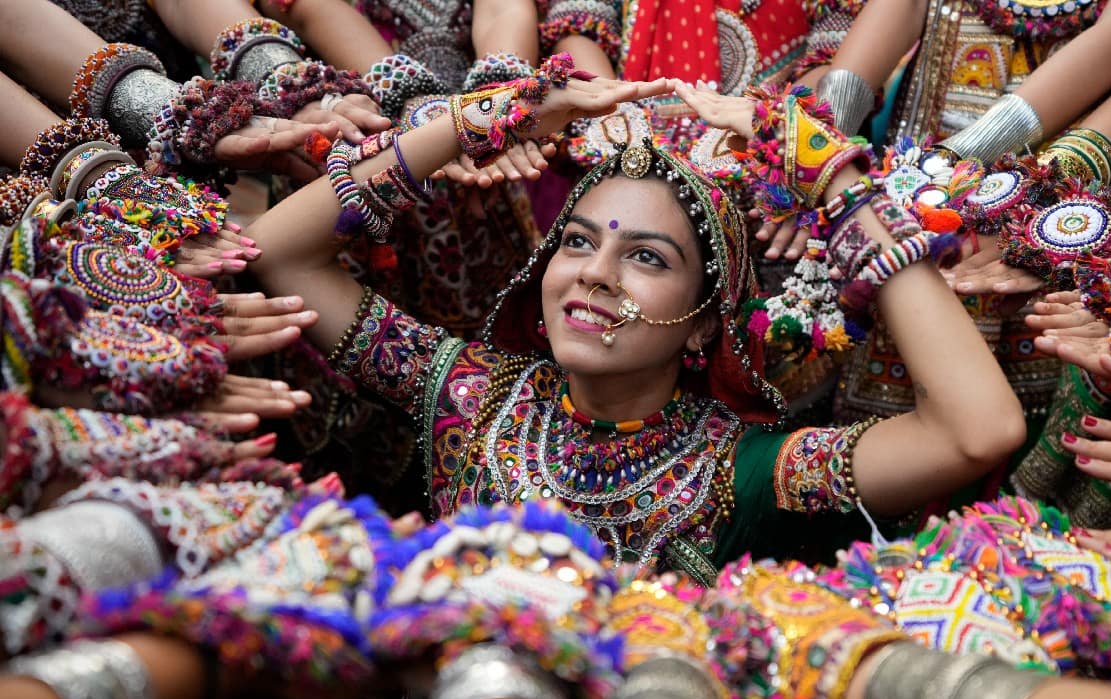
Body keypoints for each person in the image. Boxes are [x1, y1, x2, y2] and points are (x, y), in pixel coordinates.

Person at [238, 61, 1024, 575]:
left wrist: (828, 173)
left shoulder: (743, 474)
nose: (594, 273)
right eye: (576, 242)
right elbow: (277, 255)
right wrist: (498, 116)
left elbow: (975, 432)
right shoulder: (471, 397)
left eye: (647, 257)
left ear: (704, 325)